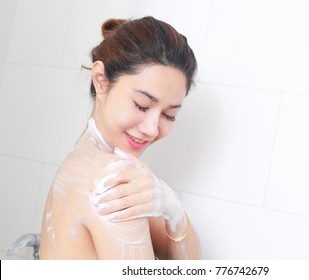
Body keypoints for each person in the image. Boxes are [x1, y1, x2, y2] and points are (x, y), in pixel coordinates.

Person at [39, 16, 200, 259]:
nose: (152, 129)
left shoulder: (88, 159)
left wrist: (175, 214)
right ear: (101, 80)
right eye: (142, 105)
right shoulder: (110, 180)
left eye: (169, 115)